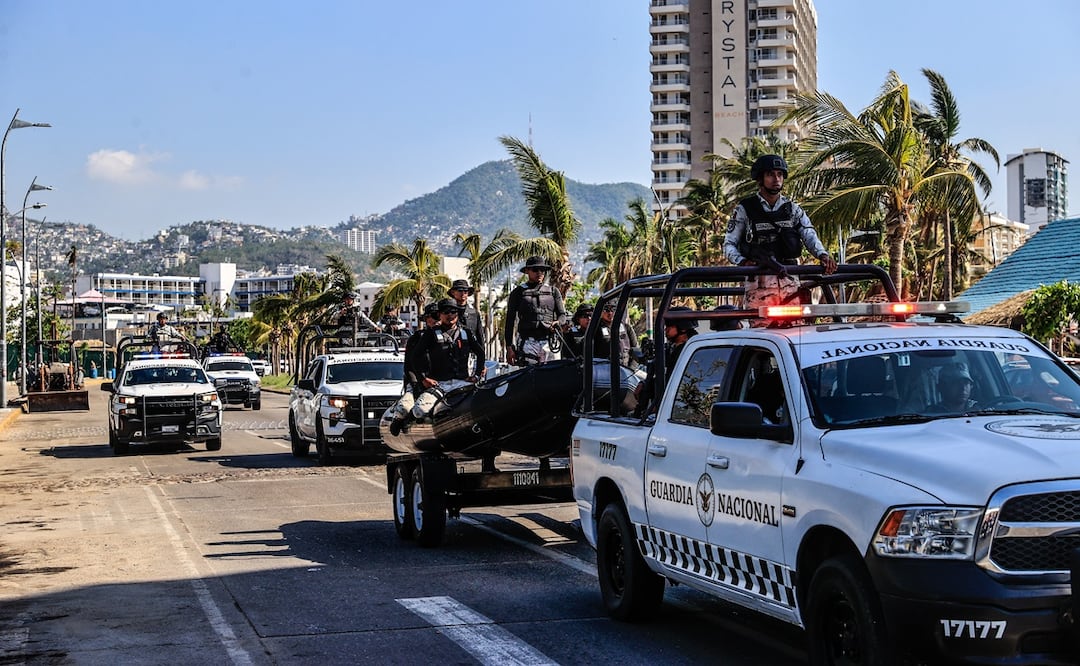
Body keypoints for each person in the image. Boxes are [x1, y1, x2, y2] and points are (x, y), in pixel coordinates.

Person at [723, 154, 837, 312]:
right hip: (758, 283)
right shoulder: (745, 209)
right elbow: (729, 244)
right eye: (770, 174)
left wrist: (823, 255)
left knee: (795, 331)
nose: (776, 179)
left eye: (780, 174)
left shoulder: (792, 209)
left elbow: (809, 234)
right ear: (760, 178)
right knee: (761, 331)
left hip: (790, 280)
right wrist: (743, 262)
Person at [408, 298, 486, 422]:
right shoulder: (431, 333)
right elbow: (415, 357)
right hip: (440, 385)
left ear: (457, 314)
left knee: (482, 405)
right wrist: (423, 378)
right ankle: (408, 419)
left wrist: (476, 376)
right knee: (420, 411)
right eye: (446, 312)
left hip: (463, 383)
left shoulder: (467, 332)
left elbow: (481, 353)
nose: (450, 315)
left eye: (453, 312)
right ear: (440, 315)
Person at [504, 256, 566, 366]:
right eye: (535, 270)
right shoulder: (517, 292)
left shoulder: (553, 291)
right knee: (529, 377)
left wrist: (558, 322)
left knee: (553, 378)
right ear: (527, 271)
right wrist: (509, 347)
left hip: (549, 342)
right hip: (527, 342)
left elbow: (562, 315)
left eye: (542, 270)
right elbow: (510, 321)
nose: (539, 273)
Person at [389, 302, 442, 434]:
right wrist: (418, 383)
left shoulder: (447, 337)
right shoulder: (416, 338)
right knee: (404, 408)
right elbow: (410, 365)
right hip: (418, 382)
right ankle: (401, 420)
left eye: (438, 316)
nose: (436, 320)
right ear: (427, 319)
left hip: (441, 383)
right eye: (433, 317)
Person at [635, 306, 698, 416]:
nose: (665, 330)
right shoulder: (670, 349)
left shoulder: (690, 351)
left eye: (669, 326)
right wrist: (644, 384)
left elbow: (677, 382)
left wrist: (659, 405)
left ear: (682, 328)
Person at [593, 302, 639, 369]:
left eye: (613, 309)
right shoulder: (595, 329)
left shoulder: (626, 327)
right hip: (604, 369)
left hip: (627, 369)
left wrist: (631, 368)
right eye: (606, 310)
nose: (610, 313)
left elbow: (635, 349)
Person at [448, 279, 485, 349]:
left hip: (470, 352)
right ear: (453, 292)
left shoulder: (474, 313)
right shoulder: (447, 312)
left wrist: (481, 355)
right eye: (460, 290)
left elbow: (480, 336)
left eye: (465, 291)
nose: (463, 293)